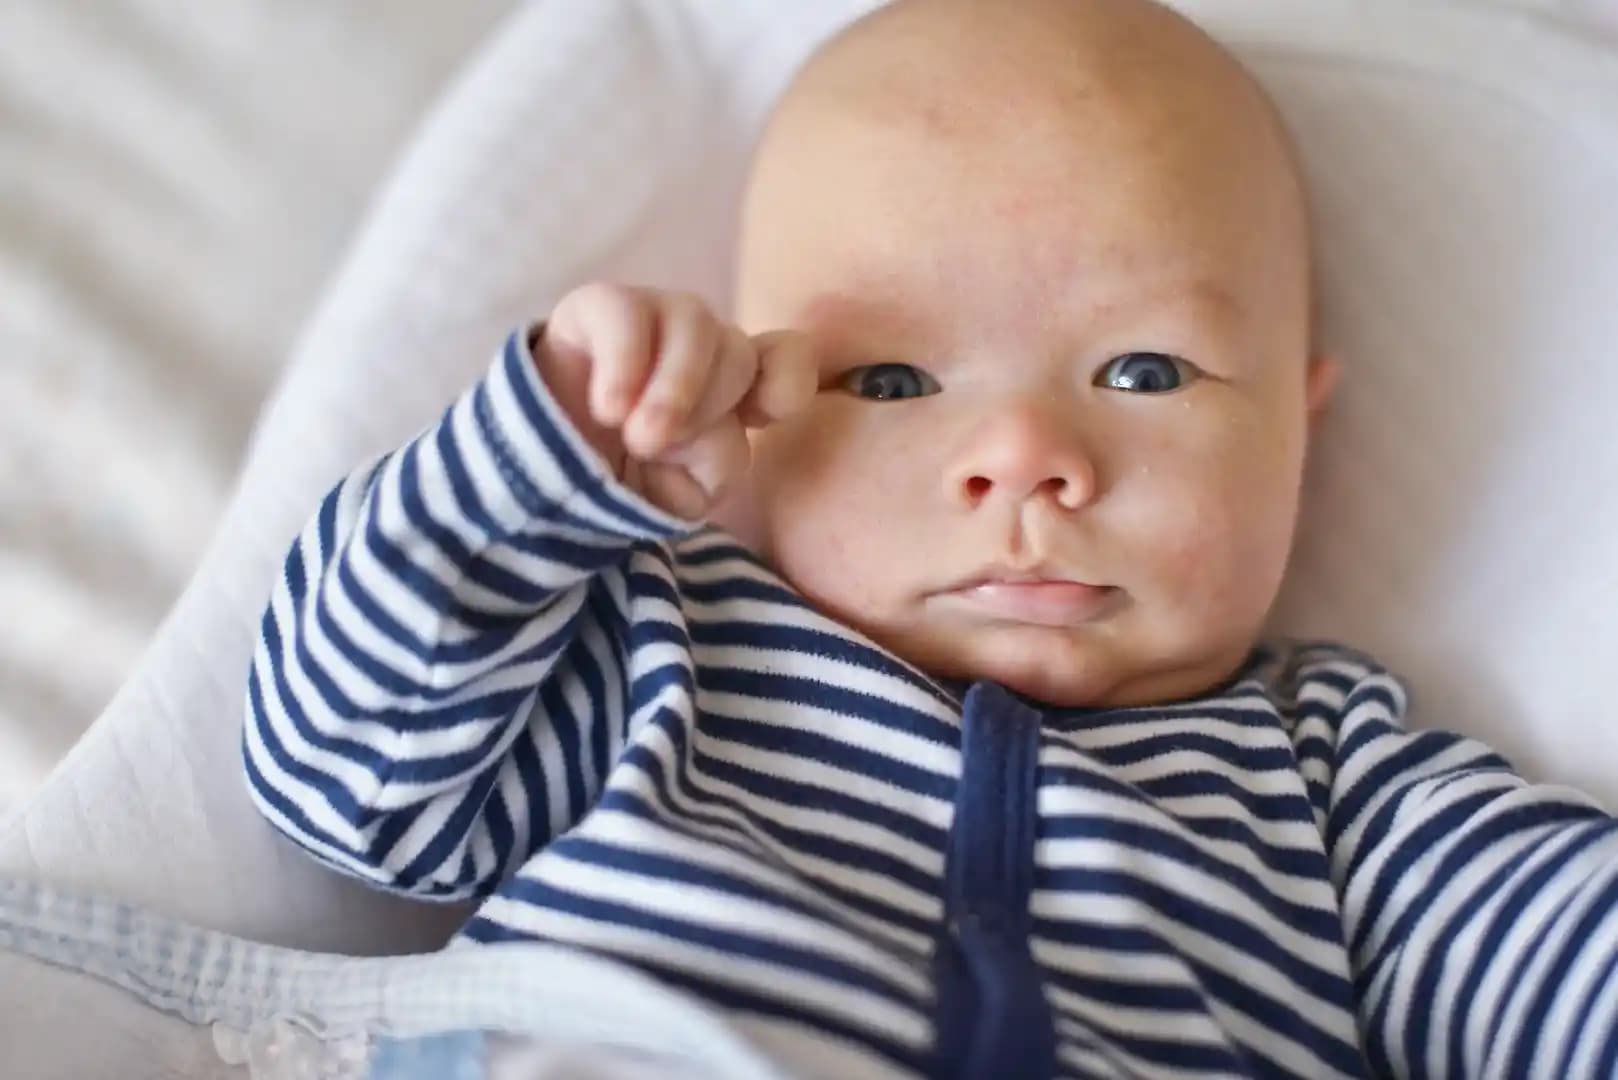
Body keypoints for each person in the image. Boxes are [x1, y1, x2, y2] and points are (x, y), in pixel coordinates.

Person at [242, 0, 1618, 1076]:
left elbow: (1560, 963)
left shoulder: (1332, 794)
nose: (1022, 456)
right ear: (747, 418)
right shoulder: (659, 654)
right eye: (889, 383)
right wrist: (536, 470)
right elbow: (346, 789)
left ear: (1297, 435)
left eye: (1142, 373)